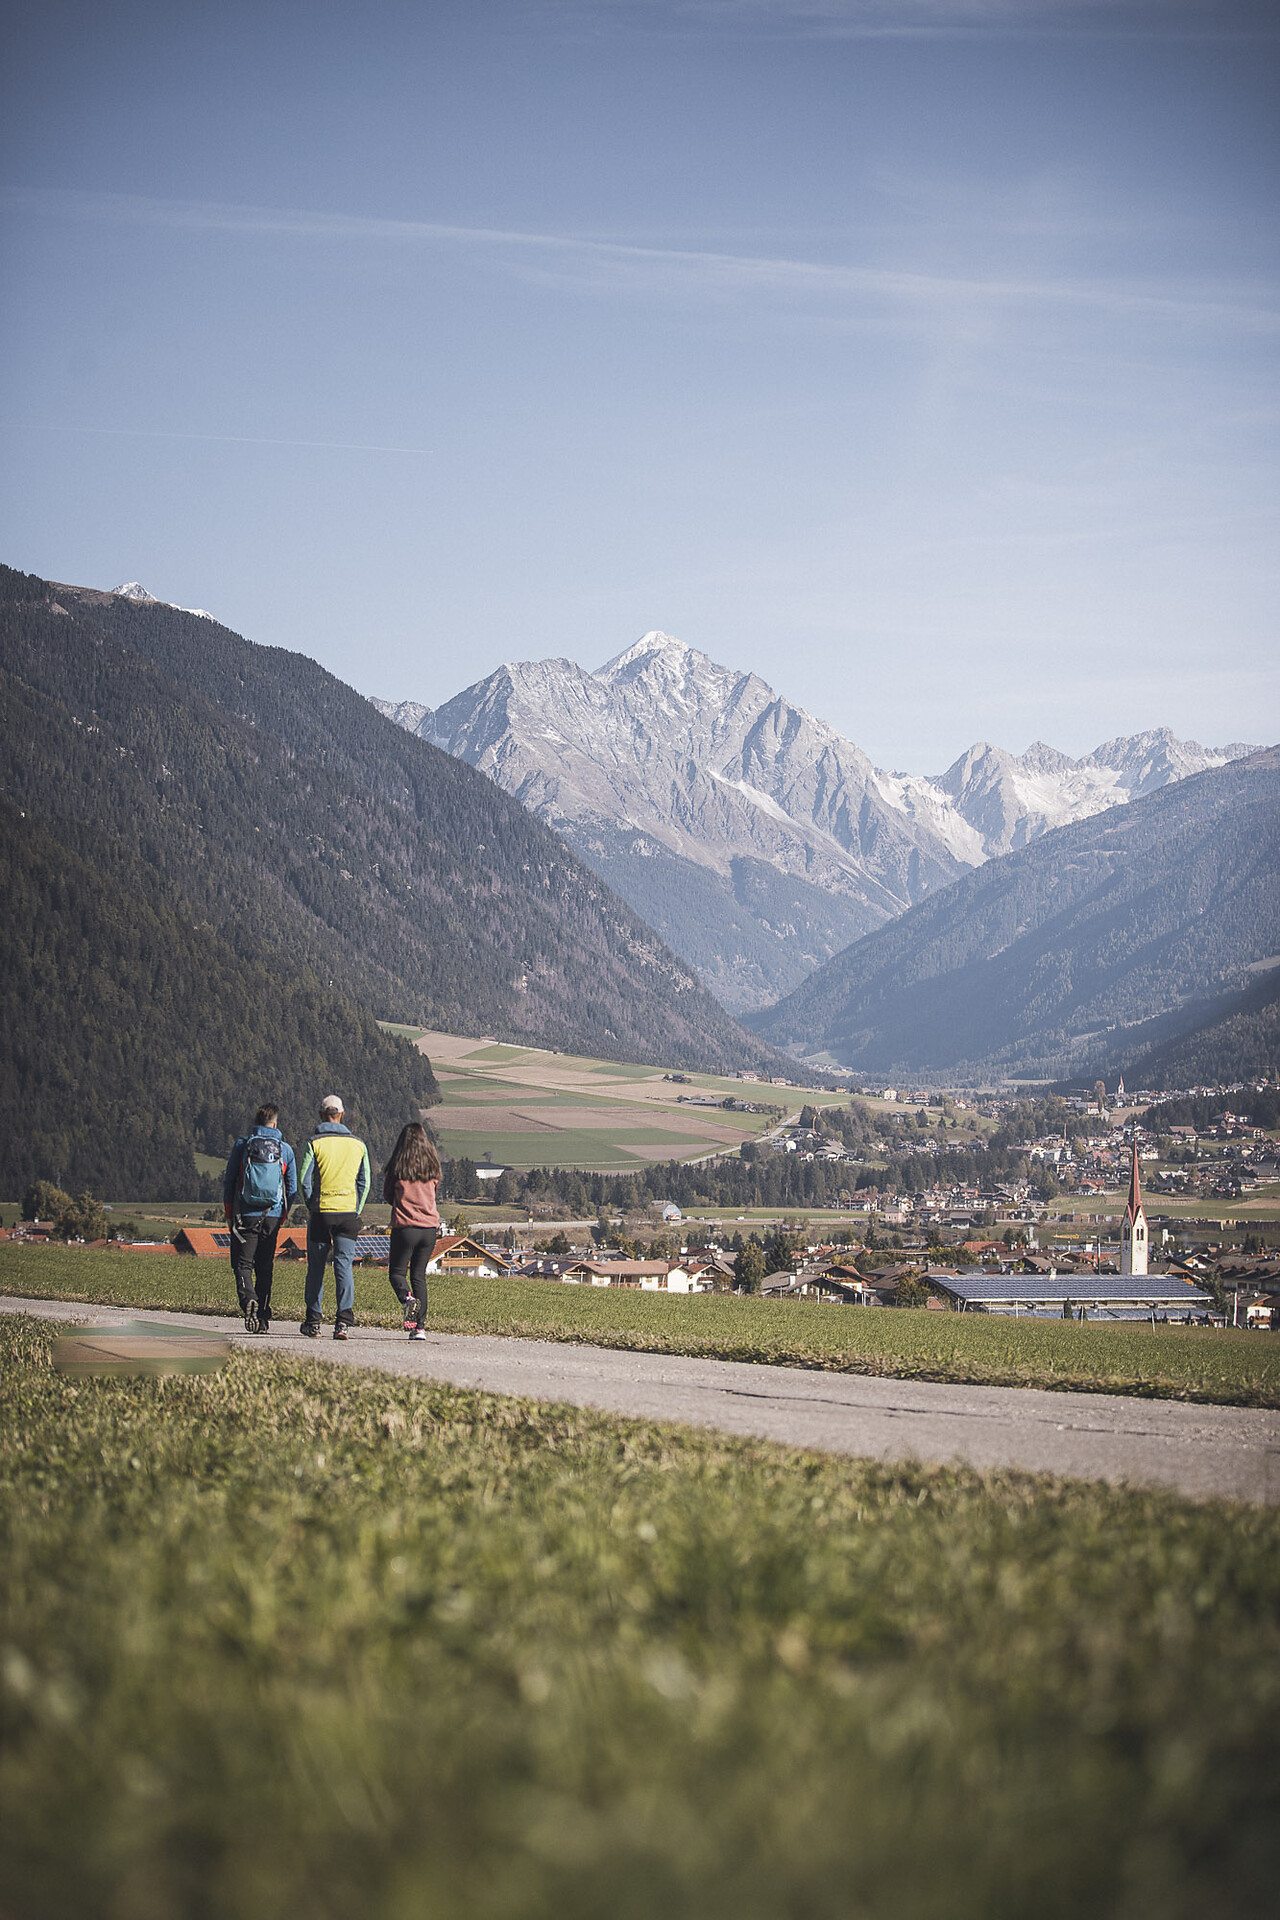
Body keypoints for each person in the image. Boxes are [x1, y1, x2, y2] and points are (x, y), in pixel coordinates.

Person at [298, 1095, 371, 1340]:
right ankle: (343, 1322)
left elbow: (304, 1180)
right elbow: (365, 1181)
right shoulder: (359, 1145)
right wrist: (356, 1208)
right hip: (348, 1213)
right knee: (344, 1266)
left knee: (316, 1268)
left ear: (321, 1115)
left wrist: (311, 1204)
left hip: (321, 1212)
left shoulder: (314, 1143)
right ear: (342, 1114)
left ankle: (313, 1321)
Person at [222, 1104, 298, 1333]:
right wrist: (283, 1213)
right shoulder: (285, 1150)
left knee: (243, 1264)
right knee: (265, 1267)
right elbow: (291, 1187)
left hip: (245, 1214)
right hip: (272, 1215)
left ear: (255, 1123)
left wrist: (229, 1212)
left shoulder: (243, 1145)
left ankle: (248, 1300)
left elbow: (229, 1181)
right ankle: (263, 1318)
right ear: (275, 1124)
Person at [382, 1122, 442, 1340]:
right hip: (429, 1229)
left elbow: (388, 1195)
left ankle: (407, 1300)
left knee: (397, 1273)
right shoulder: (432, 1168)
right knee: (419, 1276)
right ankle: (420, 1328)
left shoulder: (398, 1168)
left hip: (405, 1226)